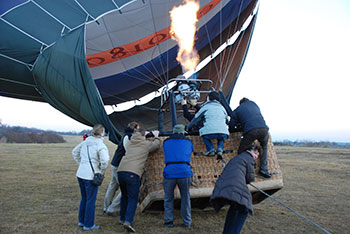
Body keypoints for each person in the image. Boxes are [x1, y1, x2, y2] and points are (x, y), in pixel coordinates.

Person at [210, 143, 261, 234]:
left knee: (235, 206)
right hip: (234, 184)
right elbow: (249, 178)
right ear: (251, 151)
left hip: (225, 183)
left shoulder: (239, 157)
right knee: (244, 209)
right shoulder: (249, 158)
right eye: (256, 154)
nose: (256, 157)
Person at [117, 128, 160, 232]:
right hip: (132, 173)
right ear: (144, 135)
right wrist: (156, 136)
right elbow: (156, 145)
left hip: (120, 171)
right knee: (133, 198)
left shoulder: (131, 143)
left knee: (124, 196)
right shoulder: (145, 144)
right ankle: (128, 221)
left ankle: (122, 218)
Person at [72, 124, 110, 231]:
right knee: (90, 200)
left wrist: (81, 163)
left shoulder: (85, 142)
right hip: (91, 175)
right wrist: (101, 170)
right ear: (102, 133)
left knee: (84, 198)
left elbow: (74, 152)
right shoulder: (100, 145)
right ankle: (88, 225)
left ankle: (81, 221)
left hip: (81, 173)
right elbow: (105, 161)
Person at [229, 97, 272, 178]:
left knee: (242, 151)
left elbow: (231, 126)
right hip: (264, 129)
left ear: (240, 103)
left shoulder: (238, 109)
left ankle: (244, 171)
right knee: (264, 148)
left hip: (251, 130)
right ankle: (264, 169)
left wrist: (238, 128)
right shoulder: (254, 105)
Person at [104, 122, 139, 216]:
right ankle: (112, 209)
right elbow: (129, 151)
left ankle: (106, 206)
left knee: (113, 186)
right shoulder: (128, 136)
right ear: (135, 128)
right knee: (126, 188)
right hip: (119, 165)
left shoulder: (126, 135)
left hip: (116, 163)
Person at [162, 124, 194, 228]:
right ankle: (187, 222)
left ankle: (168, 221)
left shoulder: (166, 142)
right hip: (184, 171)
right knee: (185, 197)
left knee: (168, 198)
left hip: (169, 171)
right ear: (183, 132)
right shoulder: (188, 142)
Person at [187, 91, 229, 158]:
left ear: (209, 98)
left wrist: (188, 127)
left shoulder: (205, 107)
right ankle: (220, 149)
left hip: (209, 132)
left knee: (205, 136)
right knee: (221, 138)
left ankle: (211, 149)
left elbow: (196, 118)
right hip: (223, 131)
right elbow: (227, 121)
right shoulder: (222, 108)